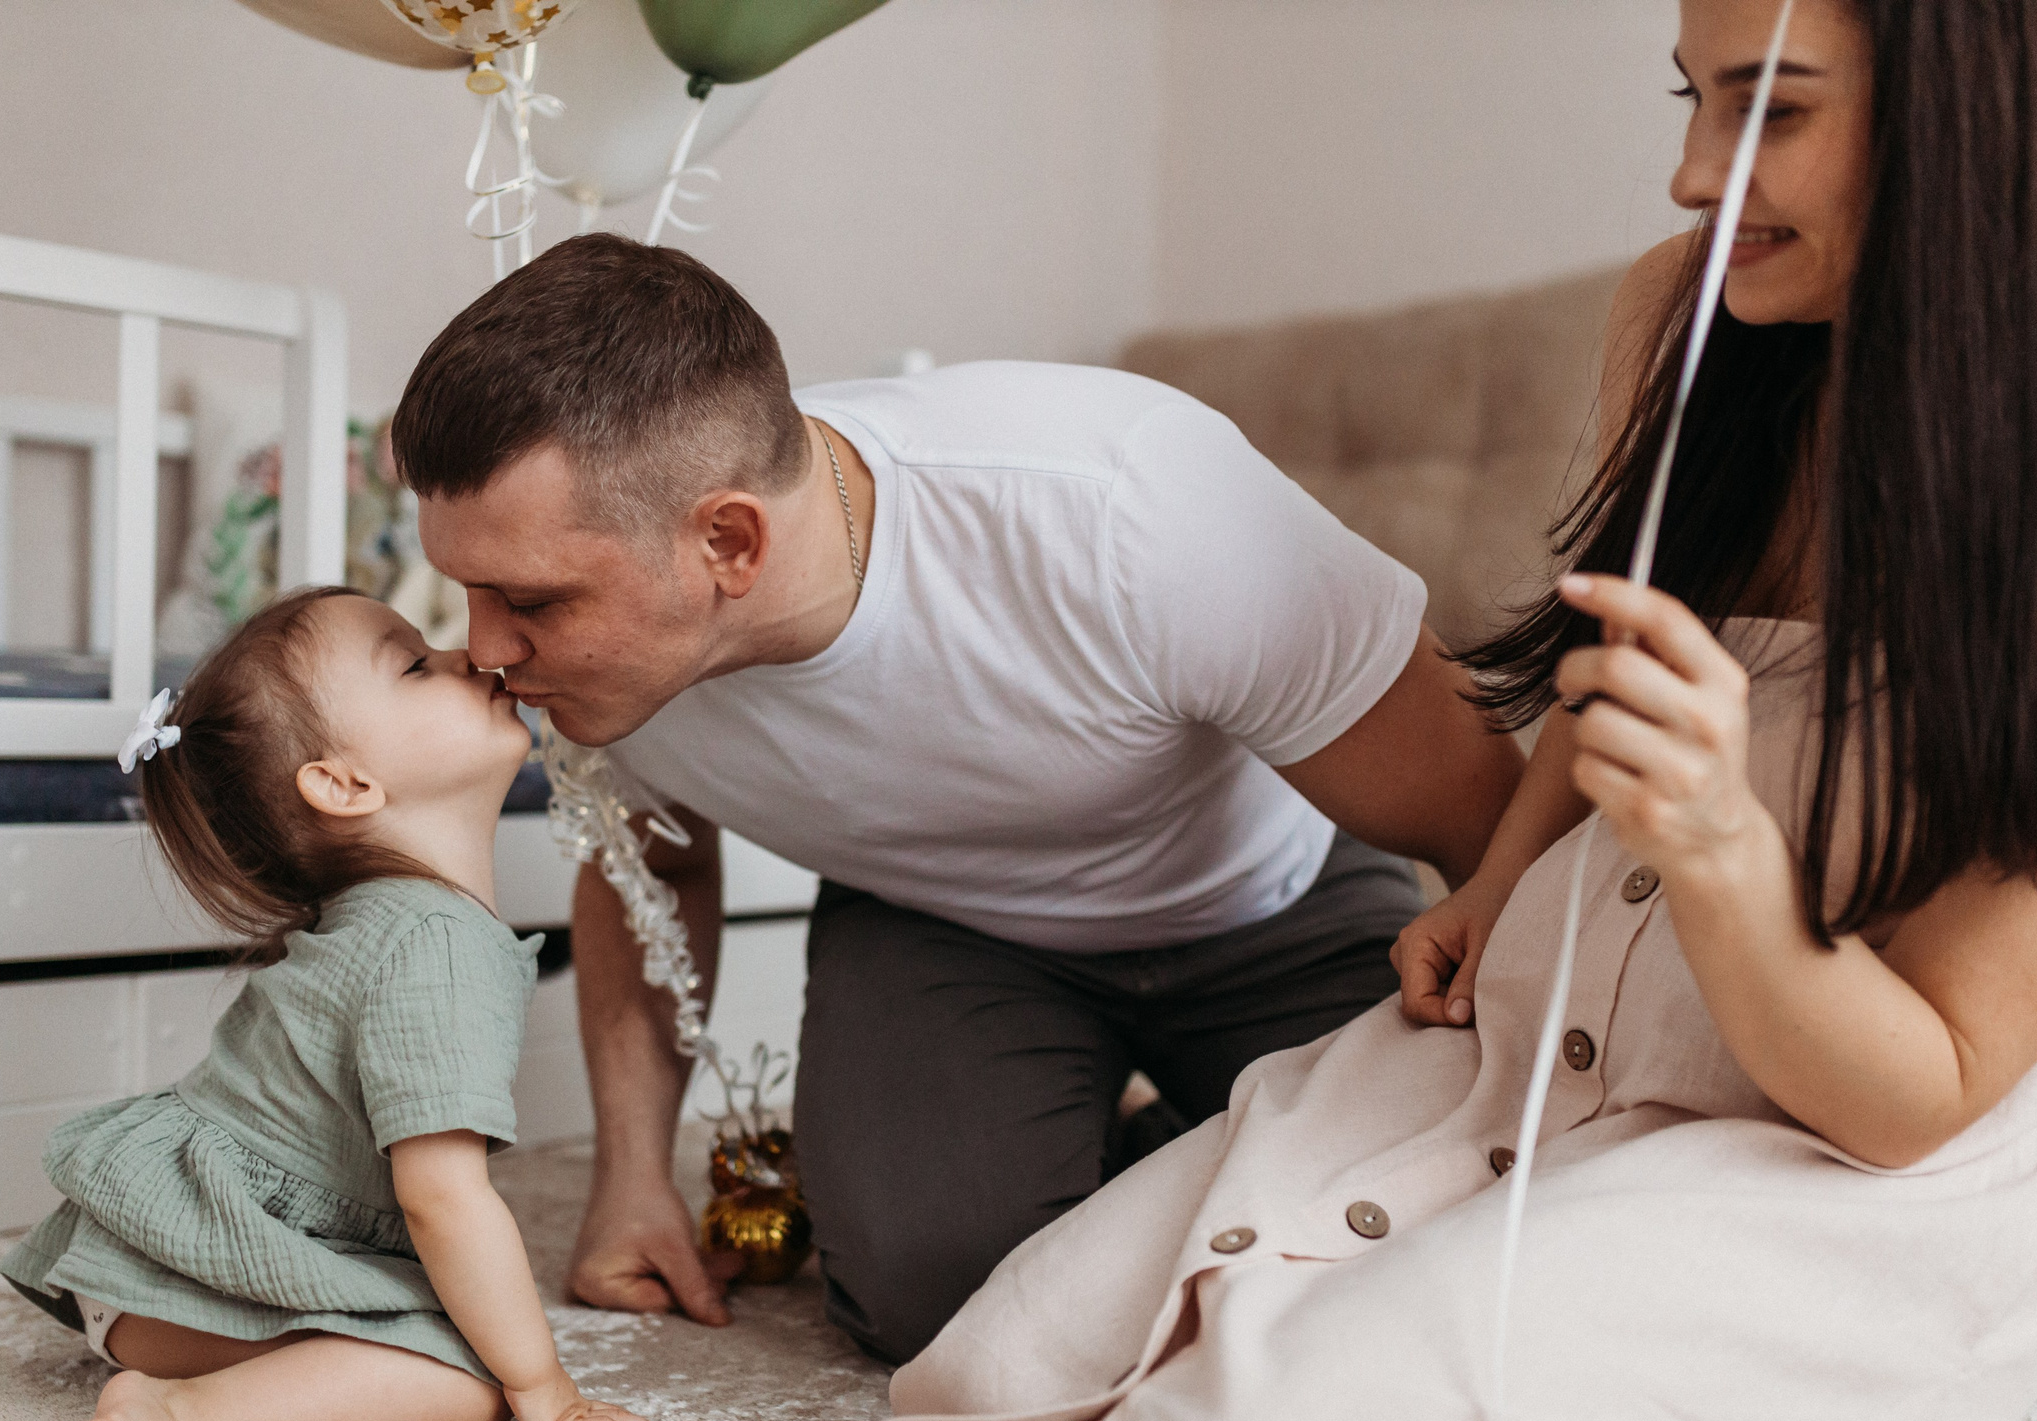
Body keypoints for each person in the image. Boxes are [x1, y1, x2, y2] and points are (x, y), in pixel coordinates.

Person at [828, 0, 2037, 1421]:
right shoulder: (1688, 313)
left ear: (1989, 119)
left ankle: (1854, 1414)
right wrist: (1497, 872)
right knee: (995, 1372)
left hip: (1865, 1117)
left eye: (1772, 112)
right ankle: (1727, 1395)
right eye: (1692, 101)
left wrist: (1719, 851)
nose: (1698, 176)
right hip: (1589, 998)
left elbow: (1911, 1098)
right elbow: (1613, 651)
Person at [389, 236, 1526, 1364]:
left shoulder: (1125, 508)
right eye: (469, 593)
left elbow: (1485, 815)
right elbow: (656, 872)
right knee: (931, 1298)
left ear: (727, 541)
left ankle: (1162, 1142)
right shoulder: (615, 671)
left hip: (1265, 897)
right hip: (942, 925)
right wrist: (631, 1179)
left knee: (1426, 1236)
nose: (483, 649)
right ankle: (1145, 1140)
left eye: (528, 599)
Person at [1, 587, 651, 1421]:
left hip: (155, 1257)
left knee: (468, 1324)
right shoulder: (433, 940)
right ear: (344, 784)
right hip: (185, 1272)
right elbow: (442, 1197)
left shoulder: (400, 920)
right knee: (471, 1379)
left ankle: (186, 1391)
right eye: (417, 664)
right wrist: (541, 1384)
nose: (470, 651)